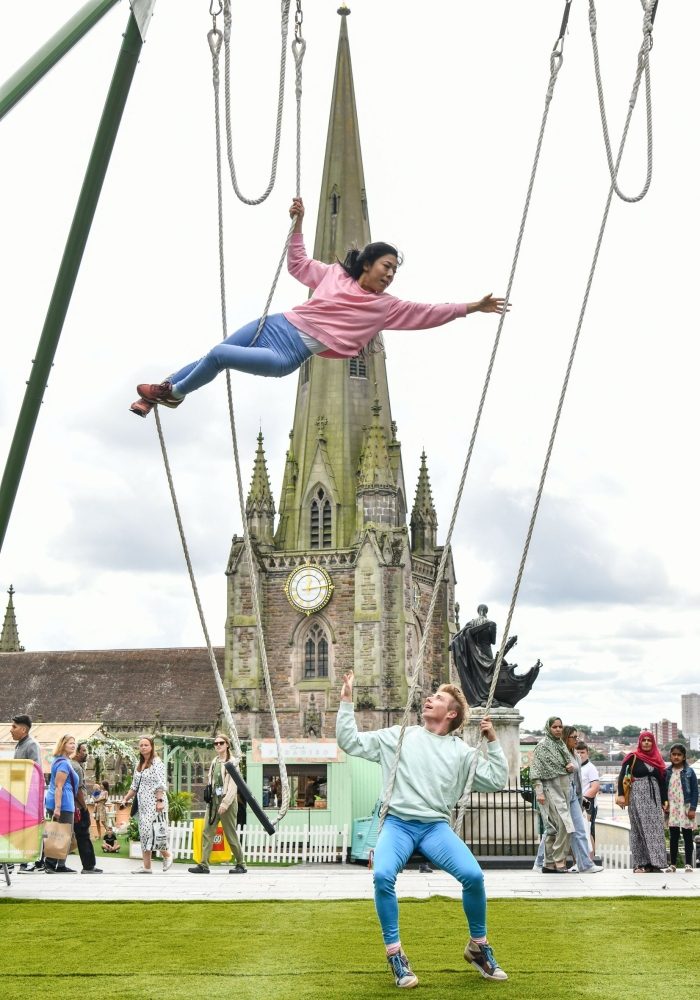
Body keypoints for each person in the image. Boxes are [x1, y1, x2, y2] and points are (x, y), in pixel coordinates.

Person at [130, 197, 508, 416]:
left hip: (288, 354)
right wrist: (299, 222)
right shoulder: (333, 275)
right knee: (209, 357)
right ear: (368, 263)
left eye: (395, 270)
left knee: (218, 355)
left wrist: (473, 306)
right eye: (387, 266)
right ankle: (158, 396)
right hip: (275, 324)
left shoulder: (384, 308)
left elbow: (429, 313)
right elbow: (298, 264)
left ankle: (174, 394)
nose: (391, 274)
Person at [336, 669, 509, 987]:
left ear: (451, 714)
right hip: (398, 824)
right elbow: (349, 741)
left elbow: (497, 779)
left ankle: (478, 947)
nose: (429, 698)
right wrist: (346, 701)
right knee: (382, 876)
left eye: (438, 698)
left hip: (435, 828)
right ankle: (395, 955)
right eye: (432, 696)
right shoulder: (399, 736)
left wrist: (493, 741)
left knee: (473, 876)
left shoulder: (460, 752)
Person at [188, 733, 247, 875]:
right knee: (207, 832)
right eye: (216, 743)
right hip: (213, 801)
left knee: (230, 833)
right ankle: (203, 864)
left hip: (227, 802)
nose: (218, 745)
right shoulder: (215, 761)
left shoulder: (232, 762)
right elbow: (212, 782)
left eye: (221, 743)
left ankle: (241, 864)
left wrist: (225, 803)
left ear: (227, 745)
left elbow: (233, 786)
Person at [616, 730, 671, 874]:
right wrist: (621, 795)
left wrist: (665, 799)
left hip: (654, 799)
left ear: (653, 743)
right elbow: (622, 776)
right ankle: (641, 864)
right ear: (640, 742)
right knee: (638, 829)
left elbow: (662, 782)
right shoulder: (632, 757)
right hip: (637, 797)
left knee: (655, 830)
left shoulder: (658, 759)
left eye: (649, 740)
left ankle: (655, 864)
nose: (646, 743)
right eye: (644, 740)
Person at [530, 717, 576, 874]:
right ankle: (559, 860)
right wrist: (539, 792)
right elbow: (535, 771)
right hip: (549, 790)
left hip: (563, 790)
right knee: (565, 825)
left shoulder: (561, 745)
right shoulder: (542, 746)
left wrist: (570, 767)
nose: (558, 729)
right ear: (548, 728)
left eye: (560, 727)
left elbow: (570, 765)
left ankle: (549, 864)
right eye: (554, 727)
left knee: (553, 829)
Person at [122, 736, 173, 874]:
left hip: (155, 802)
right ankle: (147, 866)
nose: (143, 747)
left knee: (155, 831)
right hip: (143, 804)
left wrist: (160, 801)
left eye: (146, 745)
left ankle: (167, 855)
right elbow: (134, 786)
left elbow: (160, 783)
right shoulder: (139, 765)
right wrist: (125, 799)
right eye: (141, 745)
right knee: (144, 833)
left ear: (151, 747)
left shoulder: (157, 763)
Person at [11, 713, 44, 872]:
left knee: (28, 828)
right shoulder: (19, 745)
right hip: (17, 794)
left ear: (23, 730)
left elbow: (35, 770)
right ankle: (12, 861)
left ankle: (29, 862)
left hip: (29, 795)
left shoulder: (31, 745)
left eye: (14, 727)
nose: (11, 730)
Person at [44, 734, 79, 874]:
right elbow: (59, 786)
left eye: (74, 743)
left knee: (61, 833)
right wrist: (58, 808)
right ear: (63, 745)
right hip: (62, 803)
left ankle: (60, 865)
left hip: (63, 802)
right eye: (70, 743)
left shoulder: (60, 761)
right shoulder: (63, 763)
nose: (73, 745)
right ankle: (51, 864)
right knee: (59, 833)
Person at [664, 743, 698, 872]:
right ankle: (672, 864)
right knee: (674, 836)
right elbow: (664, 790)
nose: (676, 757)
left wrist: (692, 808)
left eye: (679, 755)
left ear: (684, 757)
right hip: (672, 807)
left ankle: (688, 864)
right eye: (674, 754)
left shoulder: (689, 772)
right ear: (670, 756)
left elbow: (695, 791)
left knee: (687, 836)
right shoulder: (667, 772)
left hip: (686, 807)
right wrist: (664, 804)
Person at [71, 743, 103, 874]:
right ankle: (88, 866)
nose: (86, 753)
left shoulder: (74, 765)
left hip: (74, 806)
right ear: (77, 752)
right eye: (84, 751)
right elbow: (78, 790)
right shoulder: (76, 767)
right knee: (84, 836)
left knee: (77, 835)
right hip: (79, 807)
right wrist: (84, 807)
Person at [575, 740, 600, 854]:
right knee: (577, 832)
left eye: (582, 752)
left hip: (587, 803)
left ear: (587, 753)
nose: (580, 755)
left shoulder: (591, 768)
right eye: (577, 752)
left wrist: (581, 799)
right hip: (575, 803)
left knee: (587, 831)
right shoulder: (574, 767)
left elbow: (595, 788)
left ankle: (591, 859)